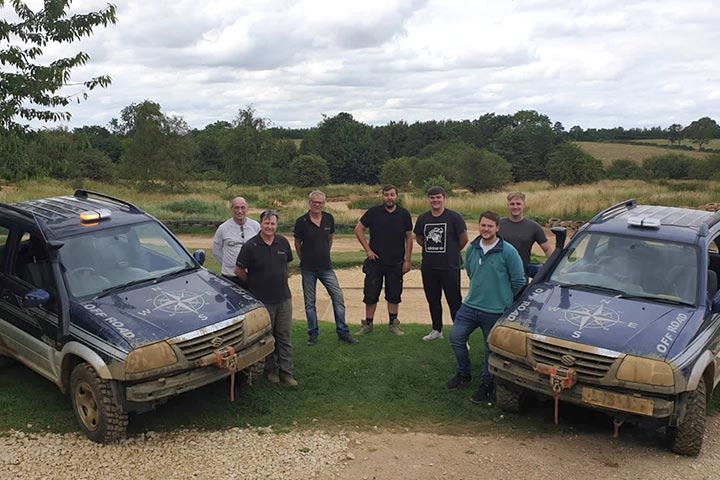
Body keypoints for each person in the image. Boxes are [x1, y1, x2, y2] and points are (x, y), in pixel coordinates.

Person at [447, 211, 525, 404]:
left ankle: (487, 384)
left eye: (490, 226)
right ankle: (464, 374)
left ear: (497, 228)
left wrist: (505, 300)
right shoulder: (472, 249)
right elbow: (470, 271)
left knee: (490, 349)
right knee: (456, 337)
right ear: (479, 226)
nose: (486, 229)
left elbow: (518, 281)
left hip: (496, 310)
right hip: (471, 306)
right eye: (483, 225)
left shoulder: (508, 251)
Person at [235, 210, 297, 387]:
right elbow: (239, 270)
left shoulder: (283, 242)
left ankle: (287, 373)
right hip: (262, 301)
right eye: (266, 223)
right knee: (268, 337)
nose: (270, 227)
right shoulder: (250, 246)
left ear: (277, 225)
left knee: (284, 336)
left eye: (273, 224)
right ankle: (271, 370)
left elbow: (287, 265)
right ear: (260, 224)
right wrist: (253, 283)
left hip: (283, 298)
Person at [294, 190, 358, 346]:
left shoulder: (329, 218)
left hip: (326, 267)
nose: (317, 205)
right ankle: (313, 334)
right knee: (310, 303)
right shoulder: (301, 221)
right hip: (308, 268)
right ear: (309, 203)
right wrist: (305, 258)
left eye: (320, 202)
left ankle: (343, 332)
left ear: (324, 203)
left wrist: (324, 254)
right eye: (314, 202)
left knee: (338, 298)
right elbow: (297, 244)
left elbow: (330, 239)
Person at [354, 184, 413, 336]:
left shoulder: (404, 214)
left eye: (392, 194)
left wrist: (408, 260)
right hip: (375, 261)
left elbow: (409, 237)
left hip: (396, 261)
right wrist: (368, 250)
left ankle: (393, 324)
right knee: (371, 293)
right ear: (382, 196)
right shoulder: (374, 212)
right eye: (386, 195)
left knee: (394, 293)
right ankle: (368, 324)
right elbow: (358, 229)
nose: (389, 197)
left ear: (396, 196)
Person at [413, 186, 468, 341]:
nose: (435, 200)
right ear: (428, 199)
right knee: (433, 299)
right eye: (432, 198)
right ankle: (436, 330)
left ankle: (460, 335)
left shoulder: (454, 217)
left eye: (438, 197)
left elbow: (463, 239)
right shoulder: (423, 218)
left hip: (450, 267)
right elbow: (419, 237)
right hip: (429, 267)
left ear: (444, 198)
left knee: (454, 301)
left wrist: (452, 252)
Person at [499, 192, 553, 276]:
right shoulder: (498, 225)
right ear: (508, 205)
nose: (515, 207)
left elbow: (547, 249)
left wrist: (557, 267)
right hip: (499, 272)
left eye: (518, 204)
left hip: (521, 274)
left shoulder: (534, 227)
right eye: (512, 204)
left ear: (524, 205)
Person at [213, 197, 260, 287]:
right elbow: (216, 250)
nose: (240, 211)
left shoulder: (256, 226)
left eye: (242, 207)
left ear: (247, 209)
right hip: (230, 277)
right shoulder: (223, 228)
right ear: (231, 209)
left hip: (251, 275)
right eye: (236, 207)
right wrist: (228, 264)